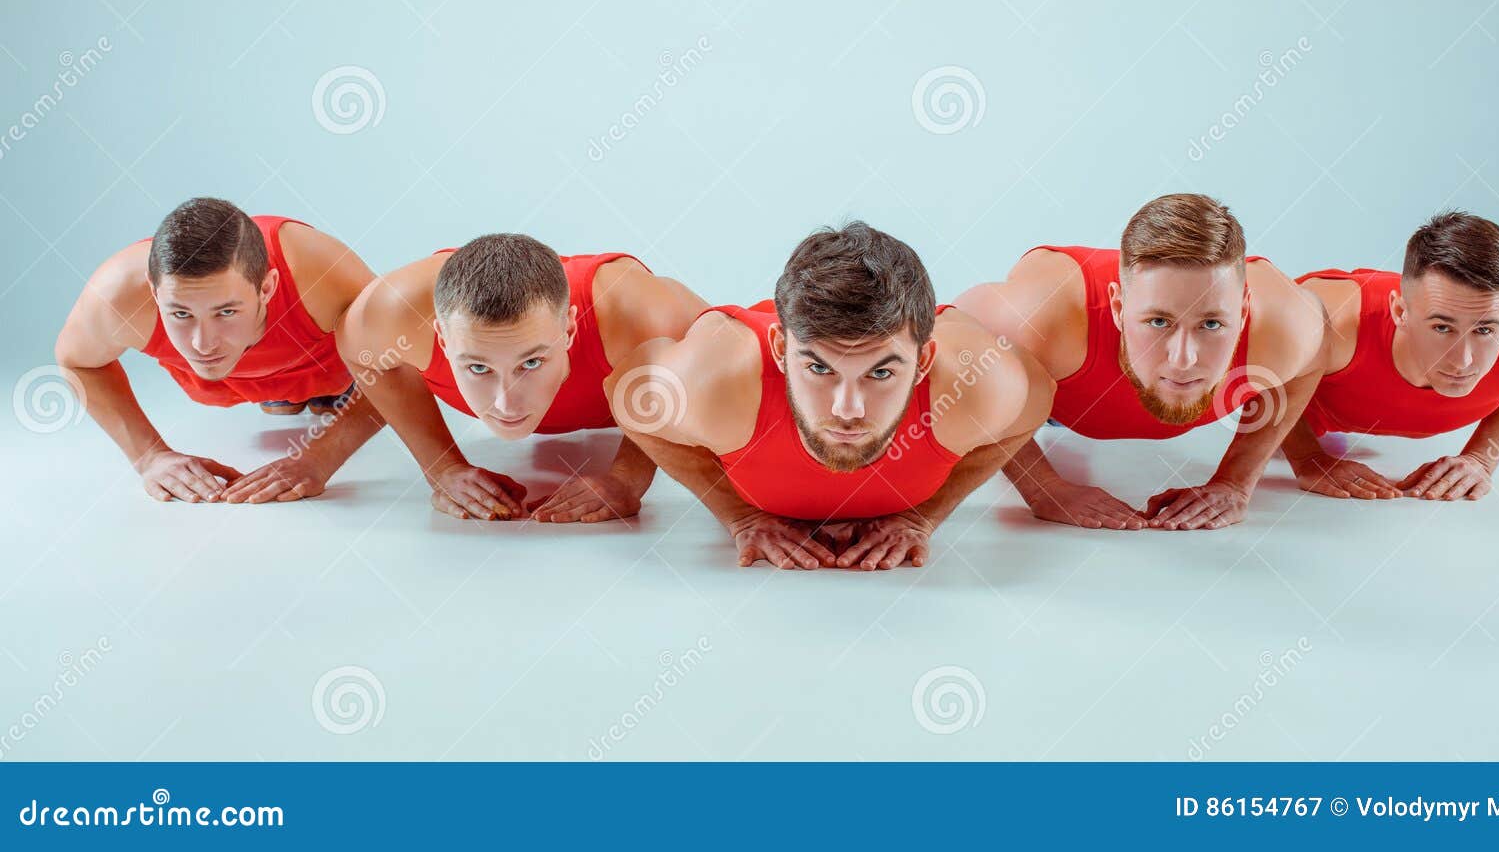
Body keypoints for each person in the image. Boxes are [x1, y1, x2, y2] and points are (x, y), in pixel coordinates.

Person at [605, 221, 1056, 569]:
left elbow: (1037, 398)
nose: (847, 409)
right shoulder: (715, 385)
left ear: (923, 363)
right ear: (781, 351)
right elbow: (627, 397)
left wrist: (926, 517)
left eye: (880, 373)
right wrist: (737, 516)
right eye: (819, 368)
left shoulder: (976, 386)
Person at [954, 194, 1326, 531]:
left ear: (1244, 311)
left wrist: (1236, 482)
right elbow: (959, 353)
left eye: (1211, 324)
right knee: (1017, 385)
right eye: (1159, 322)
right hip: (1052, 381)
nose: (1183, 360)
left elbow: (1310, 364)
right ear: (1117, 308)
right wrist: (1043, 488)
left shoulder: (1285, 326)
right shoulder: (1043, 322)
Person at [337, 233, 707, 521]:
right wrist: (442, 467)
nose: (505, 403)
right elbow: (364, 358)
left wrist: (628, 477)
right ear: (442, 339)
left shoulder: (639, 312)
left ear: (570, 330)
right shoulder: (390, 312)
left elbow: (708, 367)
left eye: (530, 363)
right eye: (478, 367)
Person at [55, 197, 385, 503]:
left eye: (226, 312)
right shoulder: (119, 293)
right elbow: (78, 362)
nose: (202, 343)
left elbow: (400, 352)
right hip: (225, 383)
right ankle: (282, 393)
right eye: (181, 314)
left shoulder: (318, 270)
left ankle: (320, 390)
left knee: (364, 357)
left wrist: (322, 456)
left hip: (327, 363)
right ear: (155, 293)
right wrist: (149, 456)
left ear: (267, 288)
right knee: (240, 374)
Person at [1282, 211, 1499, 501]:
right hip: (1300, 402)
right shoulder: (1332, 321)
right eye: (1442, 327)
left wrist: (1482, 457)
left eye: (1484, 330)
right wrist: (1306, 456)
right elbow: (1260, 359)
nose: (1463, 361)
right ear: (1399, 311)